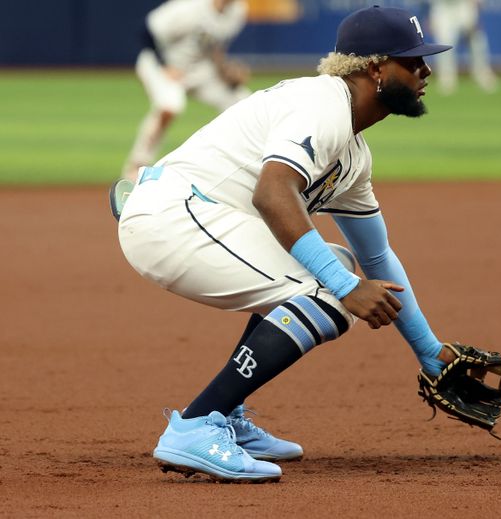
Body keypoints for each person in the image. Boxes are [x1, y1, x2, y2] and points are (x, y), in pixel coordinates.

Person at [116, 6, 455, 483]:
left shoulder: (353, 154)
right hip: (173, 216)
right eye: (412, 61)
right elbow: (273, 194)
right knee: (330, 290)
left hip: (196, 214)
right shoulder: (324, 104)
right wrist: (346, 287)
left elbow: (378, 257)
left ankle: (225, 414)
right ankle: (194, 426)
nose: (426, 71)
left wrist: (429, 352)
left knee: (336, 264)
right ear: (375, 68)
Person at [120, 0, 251, 181]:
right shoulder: (190, 8)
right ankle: (137, 166)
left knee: (243, 102)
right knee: (170, 105)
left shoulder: (237, 11)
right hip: (161, 64)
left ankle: (243, 164)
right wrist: (165, 66)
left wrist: (226, 71)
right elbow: (146, 31)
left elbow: (213, 47)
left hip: (199, 69)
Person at [428, 0, 498, 94]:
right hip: (442, 8)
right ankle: (446, 79)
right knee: (444, 44)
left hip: (464, 6)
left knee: (476, 39)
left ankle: (482, 75)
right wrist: (430, 16)